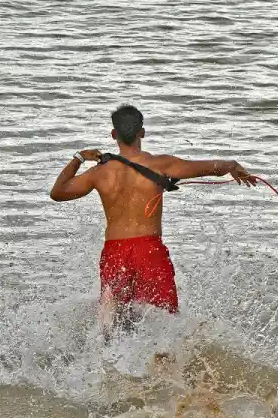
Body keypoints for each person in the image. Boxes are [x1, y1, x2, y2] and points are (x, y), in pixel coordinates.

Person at [49, 105, 254, 335]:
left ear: (113, 135)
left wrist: (78, 158)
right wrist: (232, 165)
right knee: (165, 324)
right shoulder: (161, 165)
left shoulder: (99, 173)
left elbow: (58, 192)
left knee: (112, 326)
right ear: (142, 132)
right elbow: (205, 168)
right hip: (149, 251)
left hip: (115, 253)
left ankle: (111, 368)